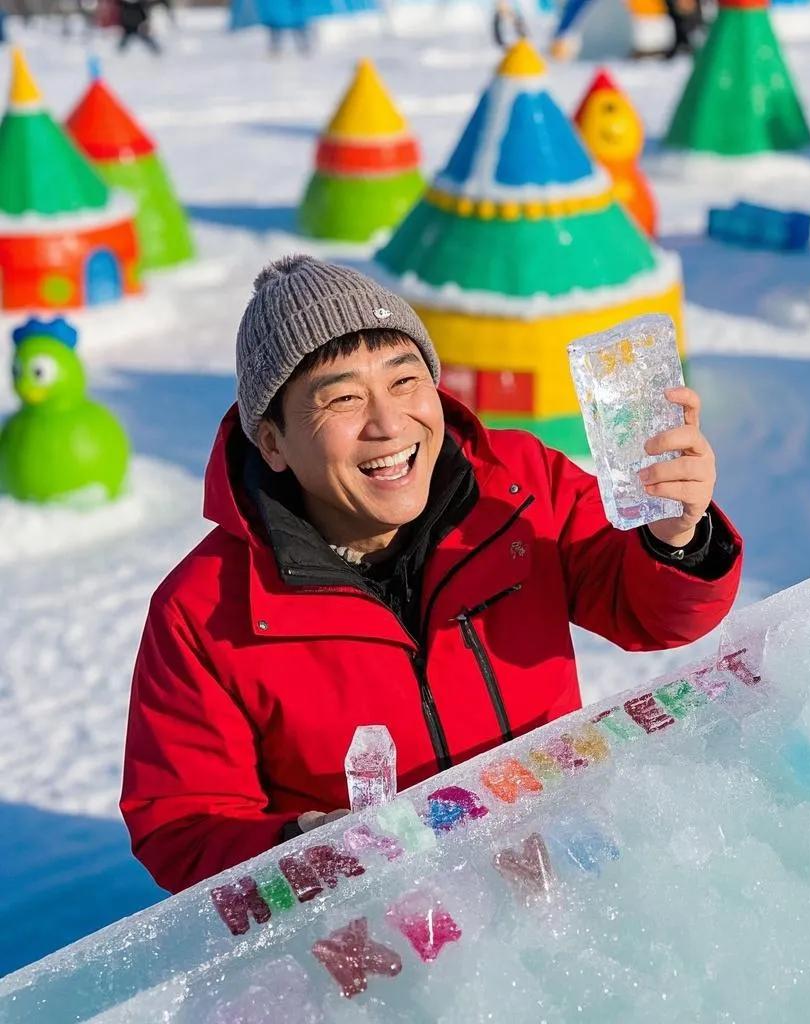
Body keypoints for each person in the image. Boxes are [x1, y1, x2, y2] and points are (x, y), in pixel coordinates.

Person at [120, 256, 743, 894]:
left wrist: (677, 535)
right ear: (272, 442)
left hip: (558, 870)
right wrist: (308, 849)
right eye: (341, 398)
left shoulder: (520, 484)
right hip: (385, 932)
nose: (389, 424)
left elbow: (655, 614)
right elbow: (183, 824)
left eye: (404, 381)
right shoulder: (201, 611)